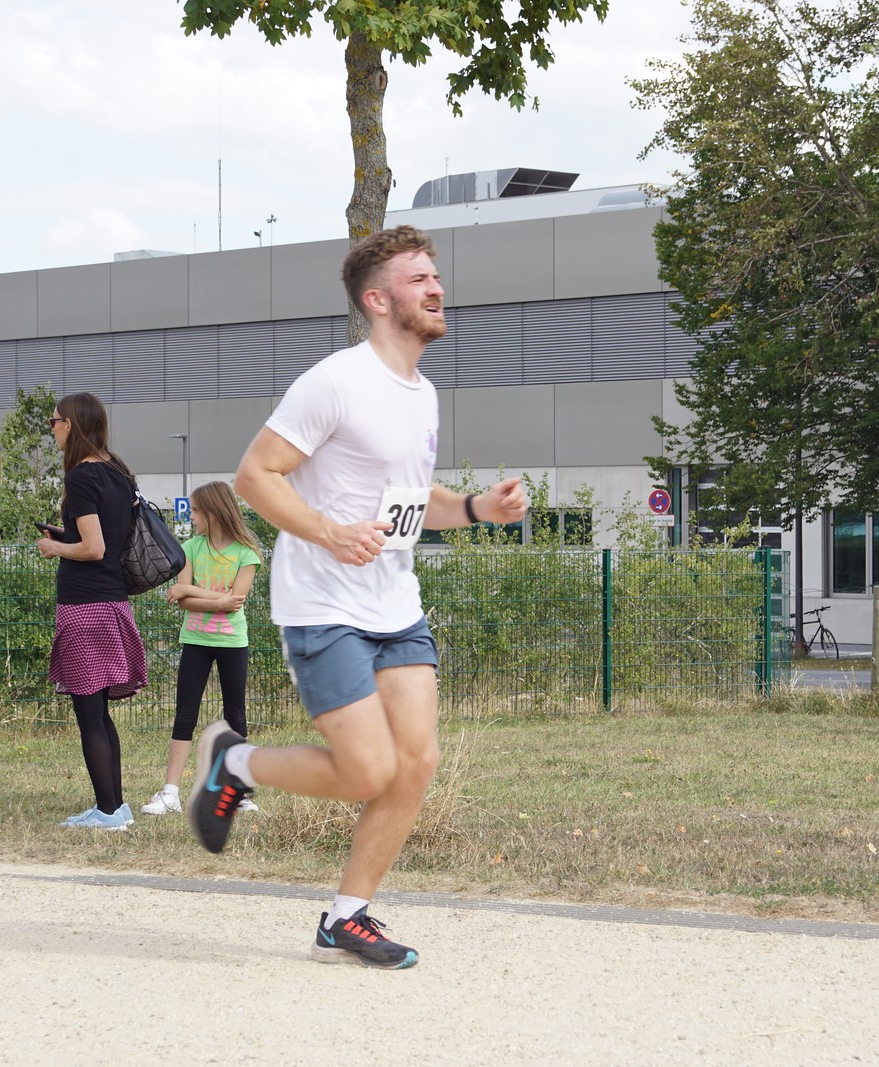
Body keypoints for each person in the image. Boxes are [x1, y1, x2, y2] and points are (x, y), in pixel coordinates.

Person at [188, 225, 528, 969]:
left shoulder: (422, 393)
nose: (436, 288)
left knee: (417, 762)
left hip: (395, 603)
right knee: (369, 770)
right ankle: (235, 764)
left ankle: (346, 917)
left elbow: (410, 499)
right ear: (377, 299)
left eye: (436, 275)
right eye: (418, 278)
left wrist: (477, 508)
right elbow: (254, 475)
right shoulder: (334, 381)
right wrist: (329, 532)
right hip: (324, 606)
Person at [38, 392, 146, 831]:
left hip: (84, 607)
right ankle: (115, 807)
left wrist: (54, 547)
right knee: (99, 713)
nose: (52, 430)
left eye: (54, 422)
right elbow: (107, 539)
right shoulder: (118, 472)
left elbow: (94, 548)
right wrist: (67, 535)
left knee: (90, 716)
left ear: (71, 424)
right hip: (113, 602)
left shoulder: (81, 477)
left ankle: (106, 813)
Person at [141, 480, 262, 816]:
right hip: (195, 641)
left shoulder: (247, 554)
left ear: (213, 512)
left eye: (195, 510)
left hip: (232, 643)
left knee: (235, 715)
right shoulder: (189, 549)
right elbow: (182, 600)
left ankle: (238, 792)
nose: (191, 516)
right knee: (184, 716)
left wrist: (194, 592)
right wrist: (216, 599)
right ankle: (170, 793)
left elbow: (234, 602)